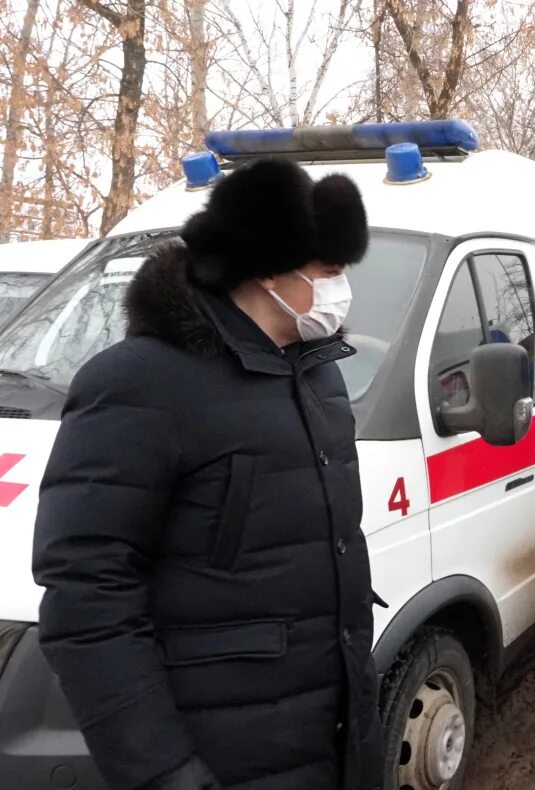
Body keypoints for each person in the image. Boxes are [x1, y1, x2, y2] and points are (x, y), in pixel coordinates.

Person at [32, 159, 384, 790]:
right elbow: (88, 597)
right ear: (272, 266)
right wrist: (163, 771)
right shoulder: (139, 382)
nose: (341, 288)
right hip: (216, 753)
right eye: (329, 271)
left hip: (326, 739)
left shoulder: (318, 375)